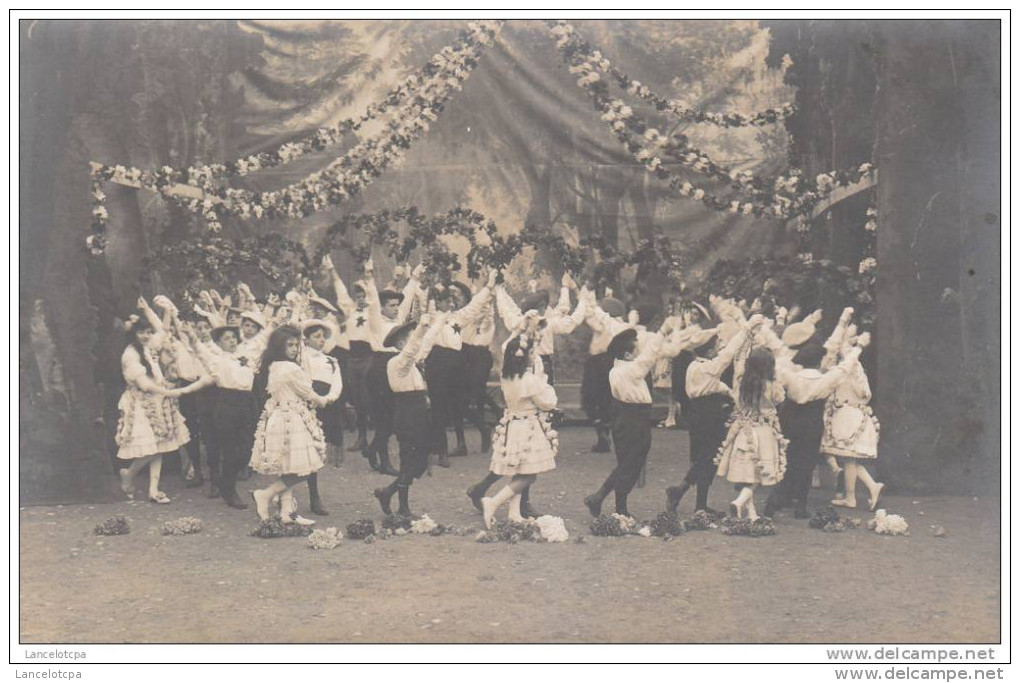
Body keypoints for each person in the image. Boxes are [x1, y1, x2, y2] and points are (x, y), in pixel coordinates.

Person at [116, 308, 209, 504]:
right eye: (141, 332)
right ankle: (129, 474)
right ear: (133, 333)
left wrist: (161, 311)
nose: (146, 336)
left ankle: (153, 489)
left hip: (158, 399)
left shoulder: (148, 346)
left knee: (160, 445)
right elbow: (144, 384)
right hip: (141, 402)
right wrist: (171, 392)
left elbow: (162, 331)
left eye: (148, 332)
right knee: (150, 447)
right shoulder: (130, 354)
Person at [250, 325, 339, 524]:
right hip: (290, 419)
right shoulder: (290, 367)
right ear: (279, 346)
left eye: (295, 345)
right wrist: (324, 400)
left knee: (290, 466)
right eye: (289, 345)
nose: (293, 349)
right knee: (303, 469)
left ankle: (286, 512)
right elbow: (307, 392)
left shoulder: (273, 365)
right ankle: (264, 495)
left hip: (279, 417)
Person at [663, 318, 742, 515]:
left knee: (703, 457)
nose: (719, 349)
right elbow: (729, 354)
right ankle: (680, 490)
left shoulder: (694, 366)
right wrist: (746, 330)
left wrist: (728, 392)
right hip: (709, 413)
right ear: (708, 352)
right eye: (716, 346)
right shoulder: (709, 368)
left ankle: (700, 504)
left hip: (698, 412)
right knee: (709, 457)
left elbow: (714, 386)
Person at [584, 325, 663, 518]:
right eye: (636, 350)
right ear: (628, 355)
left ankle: (618, 506)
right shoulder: (627, 371)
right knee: (629, 462)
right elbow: (648, 359)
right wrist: (662, 333)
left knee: (629, 462)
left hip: (632, 418)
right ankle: (599, 497)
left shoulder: (621, 368)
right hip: (632, 419)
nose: (639, 353)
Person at [481, 332, 559, 529]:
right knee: (529, 475)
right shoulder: (530, 379)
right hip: (528, 427)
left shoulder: (507, 376)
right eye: (532, 353)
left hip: (513, 425)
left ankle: (514, 512)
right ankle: (494, 502)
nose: (535, 356)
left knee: (519, 470)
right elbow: (548, 402)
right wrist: (542, 376)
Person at [421, 271, 497, 467]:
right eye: (446, 300)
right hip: (437, 363)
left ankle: (440, 445)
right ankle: (442, 452)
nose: (451, 303)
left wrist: (489, 287)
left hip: (456, 364)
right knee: (438, 408)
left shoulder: (457, 318)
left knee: (457, 404)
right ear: (436, 302)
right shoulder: (429, 318)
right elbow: (423, 300)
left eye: (451, 300)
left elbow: (474, 306)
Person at [373, 313, 445, 517]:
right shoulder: (397, 363)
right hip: (407, 412)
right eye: (411, 336)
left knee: (419, 461)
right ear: (402, 342)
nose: (415, 339)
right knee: (409, 459)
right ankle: (402, 507)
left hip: (419, 411)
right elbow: (415, 347)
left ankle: (388, 492)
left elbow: (427, 343)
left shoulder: (411, 363)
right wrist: (422, 326)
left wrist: (440, 318)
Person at [183, 320, 260, 510]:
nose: (232, 341)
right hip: (227, 404)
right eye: (227, 339)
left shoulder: (246, 356)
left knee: (246, 451)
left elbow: (263, 341)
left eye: (234, 337)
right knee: (230, 451)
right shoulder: (216, 360)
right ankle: (229, 490)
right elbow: (199, 350)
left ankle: (226, 483)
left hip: (247, 403)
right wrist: (189, 334)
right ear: (218, 343)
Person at [713, 345, 788, 521]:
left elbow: (738, 403)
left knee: (748, 474)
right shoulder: (770, 385)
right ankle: (739, 502)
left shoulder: (741, 384)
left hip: (744, 431)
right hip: (764, 432)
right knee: (759, 474)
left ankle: (752, 514)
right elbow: (780, 399)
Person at [822, 323, 884, 511]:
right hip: (851, 412)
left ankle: (861, 492)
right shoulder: (855, 367)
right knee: (849, 458)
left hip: (848, 414)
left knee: (848, 457)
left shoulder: (850, 367)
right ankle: (860, 492)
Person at [301, 319, 344, 515]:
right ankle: (311, 494)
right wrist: (316, 399)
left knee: (319, 450)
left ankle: (313, 495)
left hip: (327, 404)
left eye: (323, 337)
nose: (321, 340)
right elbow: (302, 382)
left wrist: (329, 399)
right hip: (309, 404)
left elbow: (337, 384)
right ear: (306, 339)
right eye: (316, 337)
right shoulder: (302, 359)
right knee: (305, 448)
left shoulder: (331, 361)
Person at [579, 288, 630, 453]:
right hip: (610, 363)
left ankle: (602, 432)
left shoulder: (602, 324)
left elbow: (588, 313)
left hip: (598, 363)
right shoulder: (620, 325)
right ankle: (606, 432)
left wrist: (583, 292)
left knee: (593, 398)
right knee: (607, 399)